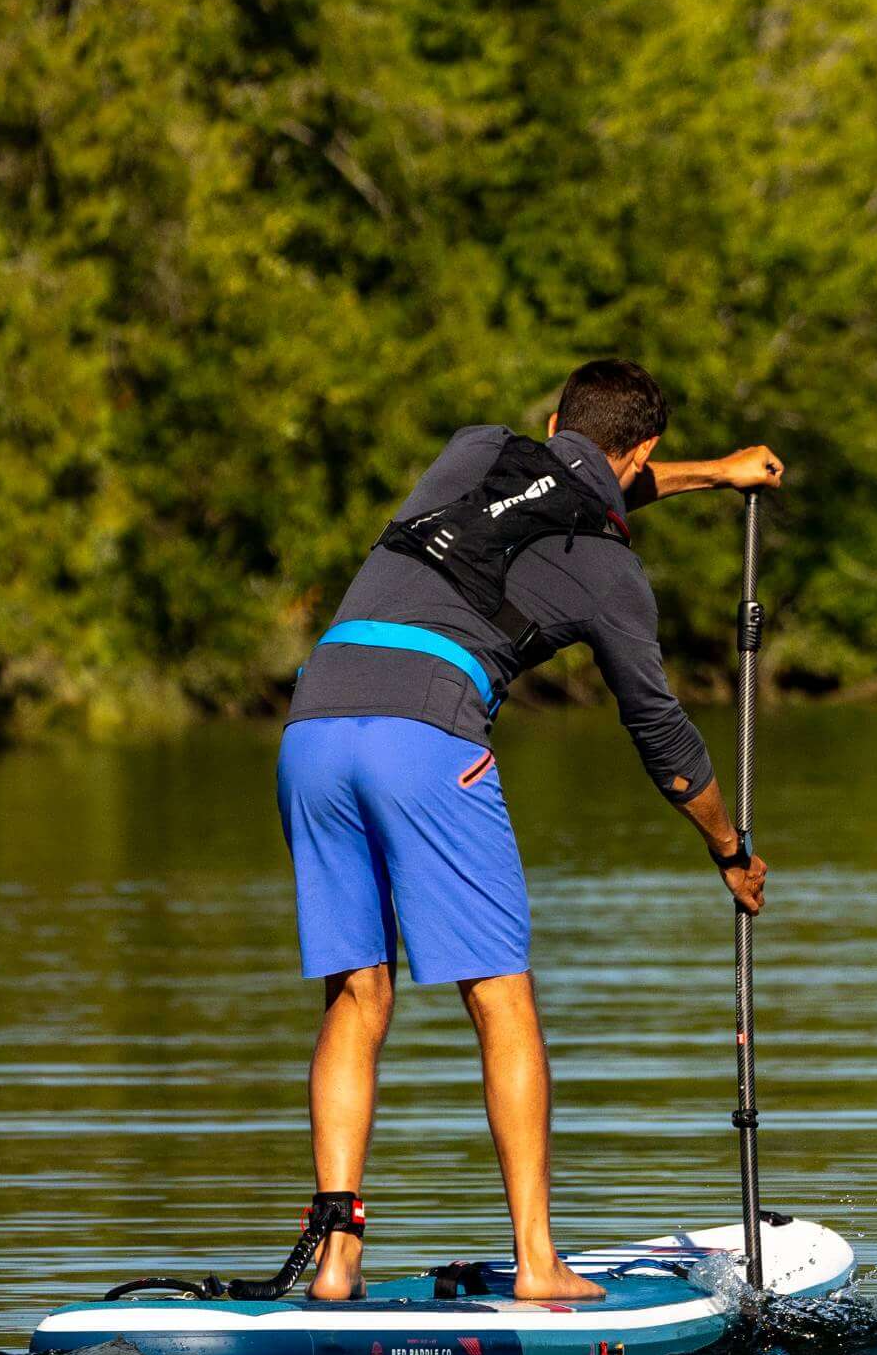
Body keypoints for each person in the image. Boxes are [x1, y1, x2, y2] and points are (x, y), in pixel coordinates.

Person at [274, 356, 780, 1307]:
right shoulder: (614, 575)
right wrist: (727, 847)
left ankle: (337, 1260)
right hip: (425, 736)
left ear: (552, 421)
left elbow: (578, 478)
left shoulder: (473, 452)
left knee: (357, 993)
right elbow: (663, 739)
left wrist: (716, 475)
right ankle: (540, 1261)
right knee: (500, 999)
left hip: (313, 722)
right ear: (646, 452)